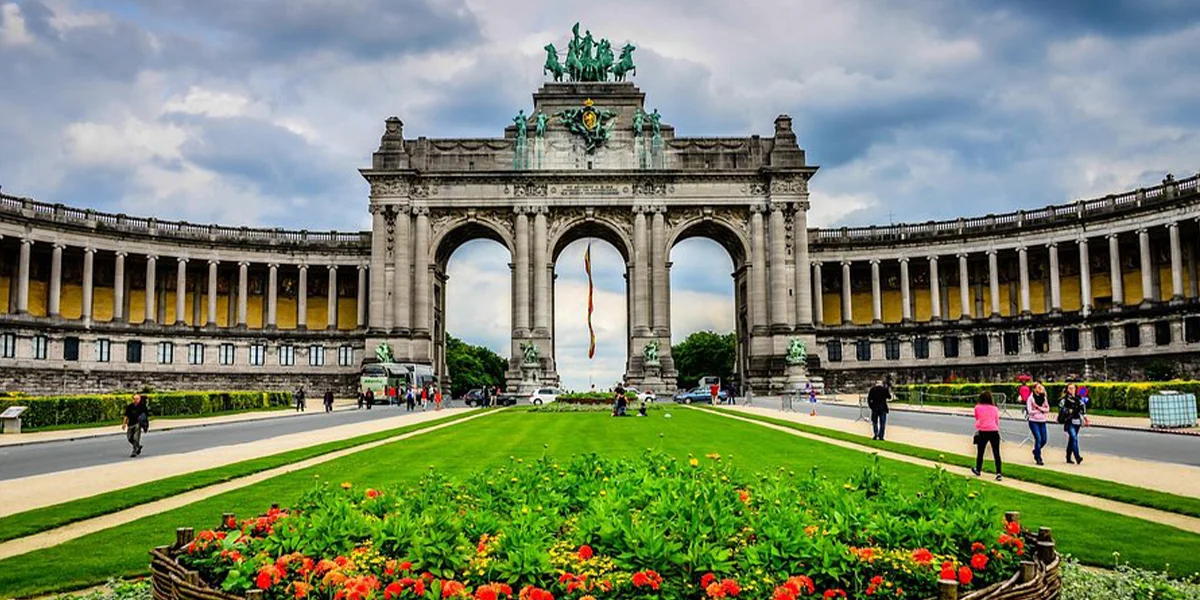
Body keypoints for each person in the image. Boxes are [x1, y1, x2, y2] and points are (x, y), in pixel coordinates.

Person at [971, 391, 1003, 480]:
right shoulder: (995, 408)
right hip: (994, 430)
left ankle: (978, 469)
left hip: (983, 431)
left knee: (980, 452)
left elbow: (977, 418)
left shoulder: (977, 408)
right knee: (996, 453)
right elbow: (996, 420)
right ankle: (999, 472)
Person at [1060, 383, 1088, 464]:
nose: (1072, 390)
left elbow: (1083, 410)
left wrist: (1086, 419)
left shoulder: (1078, 399)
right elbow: (1061, 409)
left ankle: (1068, 457)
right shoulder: (1064, 400)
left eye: (1073, 388)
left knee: (1072, 440)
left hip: (1077, 421)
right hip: (1069, 421)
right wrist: (1067, 411)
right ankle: (1077, 456)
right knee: (1074, 438)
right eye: (1070, 388)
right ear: (1067, 389)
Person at [1026, 381, 1051, 465]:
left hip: (1042, 421)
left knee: (1044, 439)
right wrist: (1039, 410)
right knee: (1038, 438)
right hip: (1033, 421)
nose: (1040, 389)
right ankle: (1038, 458)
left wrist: (1039, 408)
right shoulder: (1030, 398)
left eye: (1041, 388)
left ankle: (1036, 451)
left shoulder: (1043, 398)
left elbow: (1047, 409)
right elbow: (1030, 411)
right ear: (1034, 389)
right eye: (1038, 388)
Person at [122, 394, 149, 458]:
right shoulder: (130, 406)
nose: (136, 400)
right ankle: (138, 446)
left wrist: (145, 425)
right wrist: (124, 424)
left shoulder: (142, 407)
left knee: (135, 438)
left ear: (139, 399)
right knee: (129, 438)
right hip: (130, 424)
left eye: (137, 399)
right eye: (134, 399)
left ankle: (134, 451)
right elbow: (126, 416)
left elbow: (145, 417)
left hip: (138, 424)